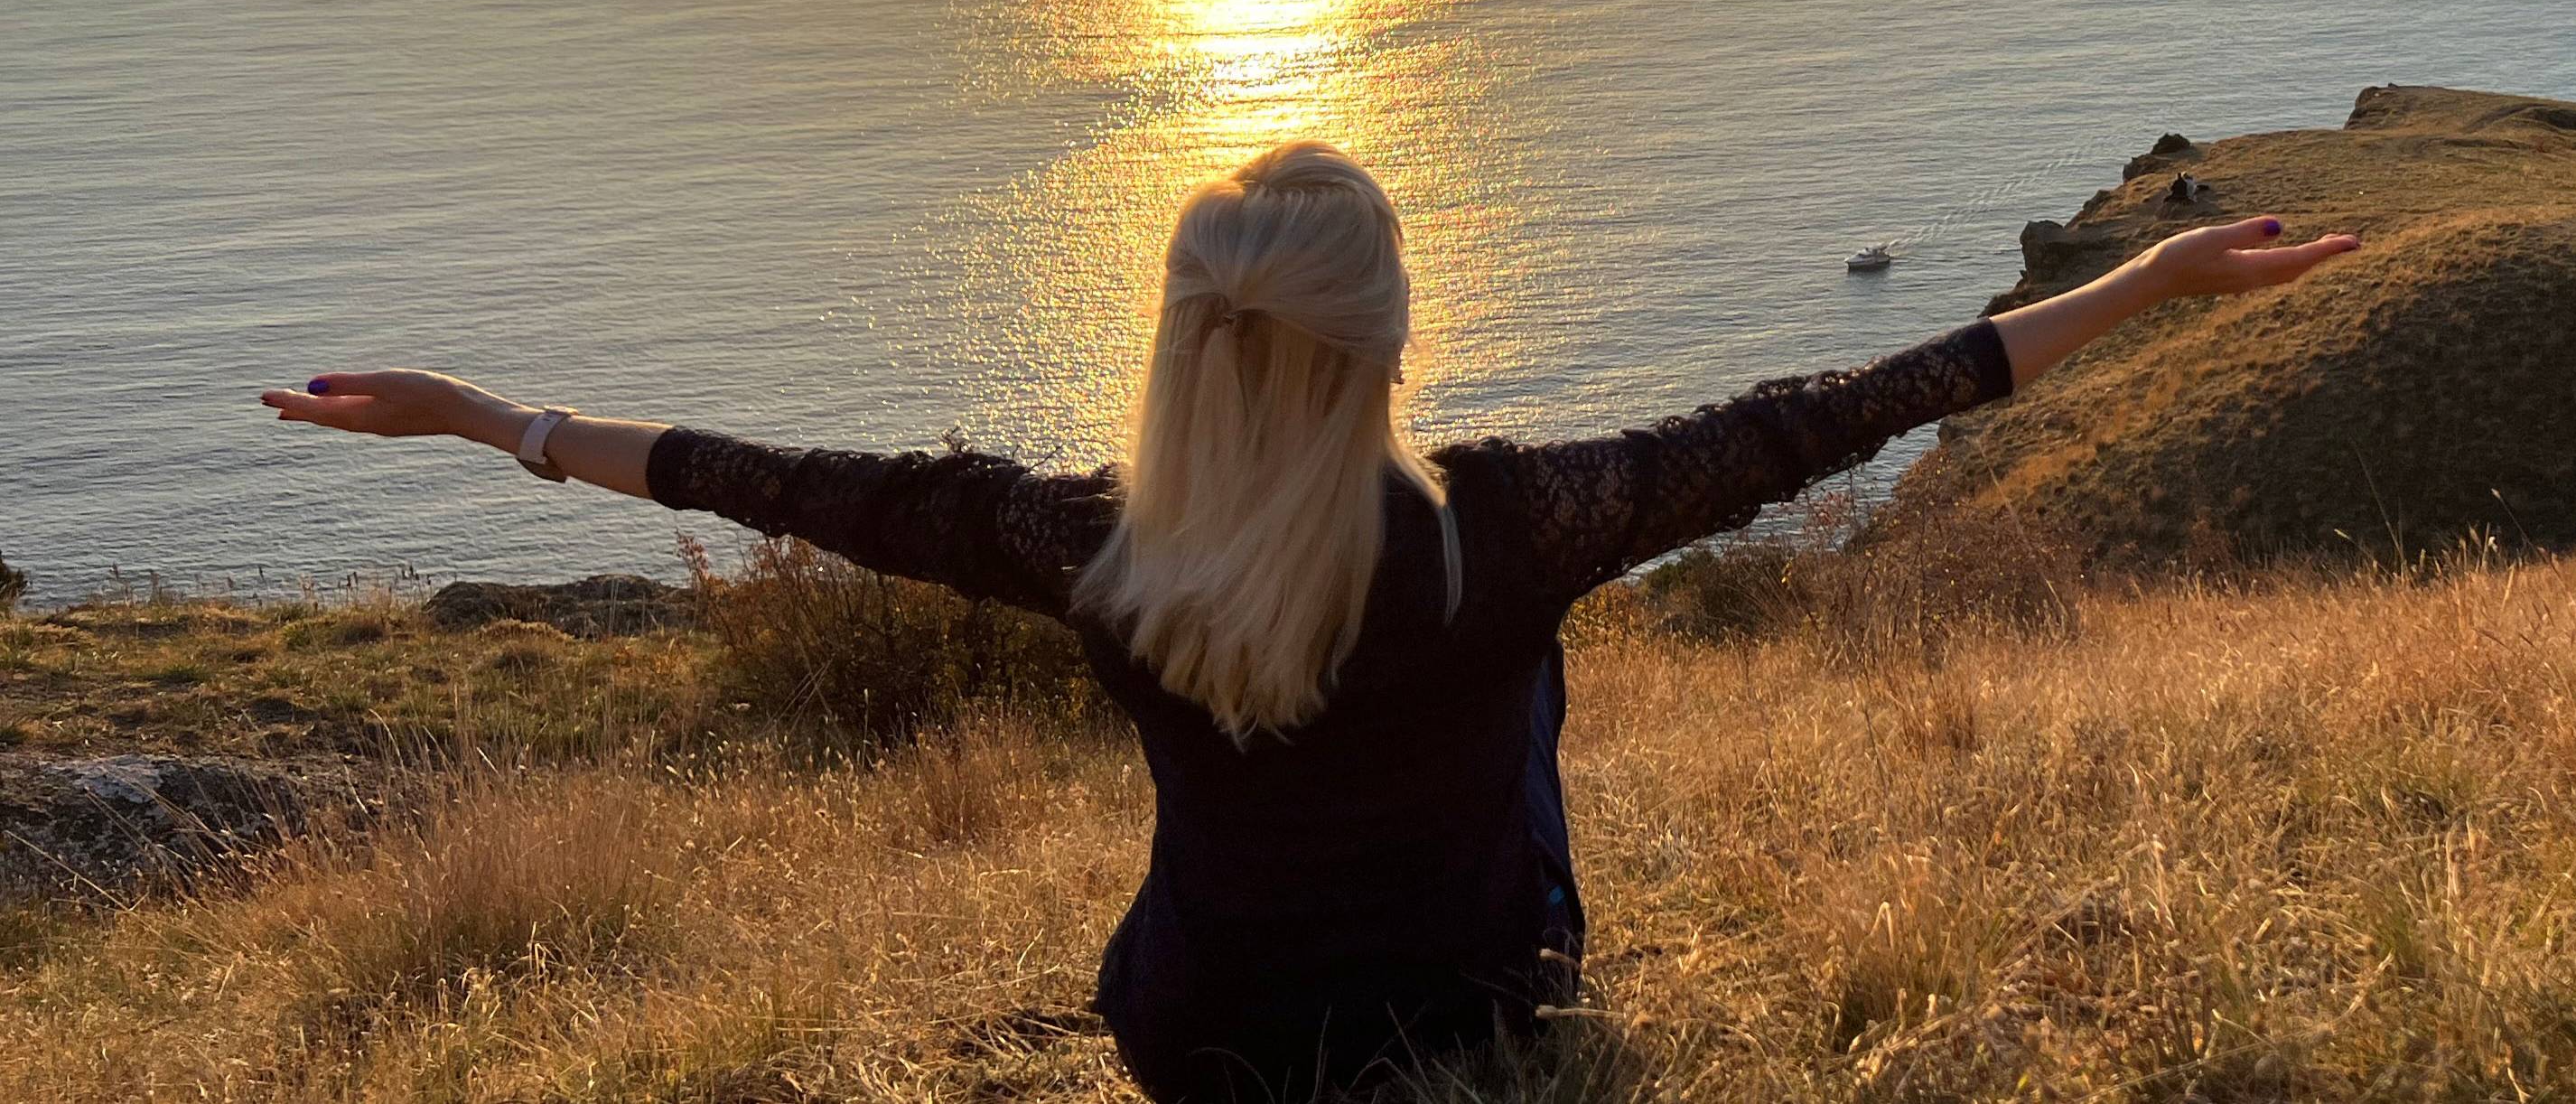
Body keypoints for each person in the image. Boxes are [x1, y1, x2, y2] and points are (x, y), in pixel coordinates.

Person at [263, 141, 2357, 1099]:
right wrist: (2161, 286)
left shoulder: (1084, 547)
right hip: (1481, 1018)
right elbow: (1866, 405)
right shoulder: (1507, 531)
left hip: (1205, 1041)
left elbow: (767, 481)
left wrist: (483, 419)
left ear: (1184, 341)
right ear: (1386, 342)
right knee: (1518, 697)